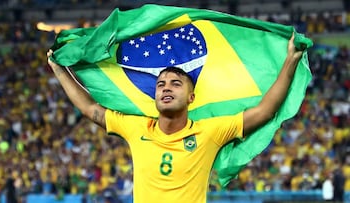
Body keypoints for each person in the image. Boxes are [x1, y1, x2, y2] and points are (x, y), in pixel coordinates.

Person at [47, 33, 304, 203]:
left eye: (175, 84)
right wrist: (60, 69)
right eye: (161, 84)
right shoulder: (136, 127)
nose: (166, 88)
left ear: (191, 97)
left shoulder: (210, 132)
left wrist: (291, 60)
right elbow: (90, 108)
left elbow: (265, 111)